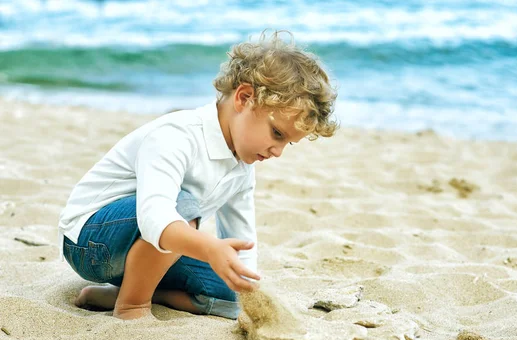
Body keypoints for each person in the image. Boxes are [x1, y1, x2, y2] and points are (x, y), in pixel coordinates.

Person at [57, 30, 338, 320]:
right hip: (91, 241)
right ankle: (132, 306)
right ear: (244, 98)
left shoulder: (242, 168)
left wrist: (246, 282)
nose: (278, 151)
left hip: (146, 249)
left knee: (235, 291)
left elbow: (242, 240)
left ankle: (130, 293)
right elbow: (155, 216)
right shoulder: (177, 135)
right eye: (276, 133)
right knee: (183, 206)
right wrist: (208, 247)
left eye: (287, 142)